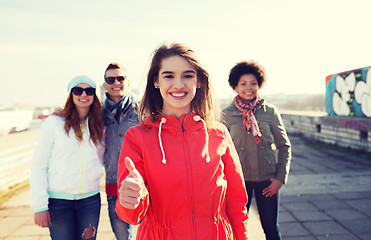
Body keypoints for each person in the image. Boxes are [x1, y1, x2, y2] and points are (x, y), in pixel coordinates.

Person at [115, 43, 249, 240]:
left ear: (199, 81)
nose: (178, 84)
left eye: (187, 75)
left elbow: (237, 202)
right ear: (156, 81)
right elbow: (131, 216)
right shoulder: (137, 137)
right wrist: (130, 198)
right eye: (169, 76)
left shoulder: (218, 134)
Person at [222, 61, 292, 240]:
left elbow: (284, 146)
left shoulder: (270, 112)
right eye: (243, 84)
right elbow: (218, 151)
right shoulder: (226, 115)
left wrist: (279, 178)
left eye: (253, 83)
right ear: (235, 86)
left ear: (259, 84)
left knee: (271, 229)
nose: (248, 88)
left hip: (266, 181)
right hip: (238, 182)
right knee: (235, 230)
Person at [30, 76, 105, 240]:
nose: (84, 94)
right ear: (71, 94)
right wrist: (39, 206)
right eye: (78, 90)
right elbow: (39, 165)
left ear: (94, 95)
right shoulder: (53, 123)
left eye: (89, 91)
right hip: (58, 202)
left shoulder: (100, 126)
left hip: (90, 201)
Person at [102, 62, 139, 240]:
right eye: (111, 79)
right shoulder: (98, 113)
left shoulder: (142, 108)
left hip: (143, 181)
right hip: (113, 182)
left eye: (120, 78)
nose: (116, 82)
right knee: (123, 236)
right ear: (105, 85)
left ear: (128, 82)